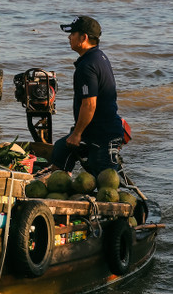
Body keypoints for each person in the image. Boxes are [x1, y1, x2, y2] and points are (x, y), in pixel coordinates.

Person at [50, 16, 125, 175]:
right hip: (92, 130)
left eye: (72, 33)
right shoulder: (98, 57)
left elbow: (89, 105)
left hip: (103, 135)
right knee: (61, 150)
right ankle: (59, 186)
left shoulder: (87, 66)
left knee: (105, 181)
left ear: (83, 37)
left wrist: (77, 134)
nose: (69, 37)